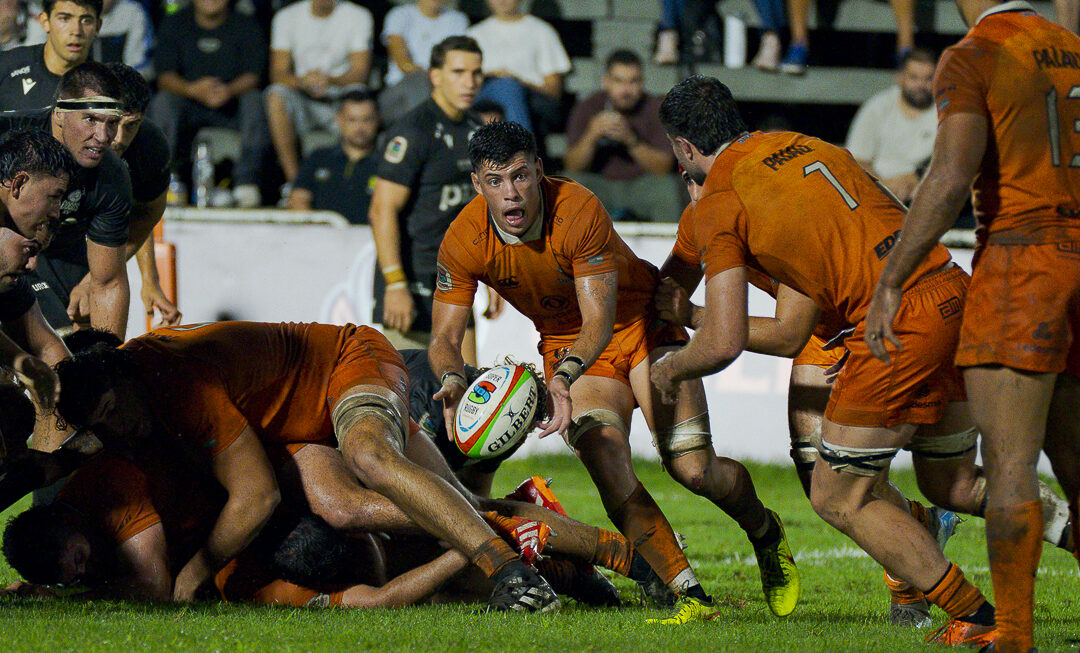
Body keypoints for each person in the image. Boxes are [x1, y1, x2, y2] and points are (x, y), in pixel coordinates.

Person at [655, 75, 997, 646]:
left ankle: (956, 607)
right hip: (925, 294)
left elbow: (762, 333)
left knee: (836, 488)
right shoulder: (799, 147)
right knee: (942, 482)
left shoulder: (723, 201)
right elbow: (667, 283)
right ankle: (967, 547)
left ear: (684, 149)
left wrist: (680, 349)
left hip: (868, 321)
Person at [429, 120, 800, 624]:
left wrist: (560, 379)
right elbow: (445, 338)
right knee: (605, 455)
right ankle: (685, 591)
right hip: (569, 346)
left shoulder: (577, 208)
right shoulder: (463, 237)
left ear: (540, 170)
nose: (511, 194)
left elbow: (600, 321)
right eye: (495, 182)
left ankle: (765, 531)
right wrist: (452, 381)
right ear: (477, 184)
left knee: (694, 469)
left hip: (641, 325)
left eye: (519, 176)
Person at [53, 321, 560, 611]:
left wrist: (189, 578)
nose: (117, 430)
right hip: (296, 432)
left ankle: (510, 539)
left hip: (341, 369)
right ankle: (570, 556)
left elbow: (252, 501)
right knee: (450, 528)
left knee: (362, 482)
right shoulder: (246, 581)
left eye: (113, 413)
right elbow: (377, 599)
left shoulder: (170, 390)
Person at [863, 2, 1080, 650]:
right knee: (1074, 457)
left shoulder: (977, 52)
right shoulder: (1068, 45)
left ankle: (1012, 631)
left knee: (1009, 463)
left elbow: (951, 174)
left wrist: (893, 276)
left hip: (1024, 258)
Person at [368, 36, 485, 361]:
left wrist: (492, 276)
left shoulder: (477, 130)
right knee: (405, 397)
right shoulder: (413, 131)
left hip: (456, 281)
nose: (470, 82)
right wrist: (394, 283)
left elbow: (481, 210)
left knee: (466, 393)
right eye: (459, 72)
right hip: (411, 279)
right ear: (435, 76)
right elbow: (381, 210)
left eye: (476, 73)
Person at [25, 62, 130, 354]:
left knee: (78, 356)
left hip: (49, 251)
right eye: (91, 120)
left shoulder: (112, 174)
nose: (104, 136)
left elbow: (108, 283)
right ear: (59, 114)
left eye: (112, 123)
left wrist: (109, 369)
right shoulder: (11, 140)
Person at [149, 0, 268, 208]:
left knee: (255, 100)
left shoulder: (245, 23)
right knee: (163, 102)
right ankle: (166, 181)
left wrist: (229, 90)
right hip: (188, 103)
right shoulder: (175, 22)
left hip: (231, 104)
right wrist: (192, 89)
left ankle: (246, 183)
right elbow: (164, 76)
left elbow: (254, 75)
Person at [0, 129, 76, 409]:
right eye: (54, 197)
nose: (57, 211)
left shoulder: (9, 254)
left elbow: (47, 346)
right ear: (18, 184)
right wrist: (19, 361)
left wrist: (84, 399)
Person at [563, 49, 681, 223]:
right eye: (618, 81)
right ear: (606, 82)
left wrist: (631, 140)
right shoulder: (588, 107)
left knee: (667, 189)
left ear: (642, 82)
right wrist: (592, 134)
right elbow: (572, 166)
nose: (626, 90)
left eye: (633, 81)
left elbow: (663, 168)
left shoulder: (656, 109)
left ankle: (671, 249)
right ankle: (571, 248)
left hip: (641, 185)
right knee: (570, 187)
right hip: (600, 185)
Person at [265, 0, 373, 187]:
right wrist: (302, 82)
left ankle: (351, 182)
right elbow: (277, 73)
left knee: (359, 96)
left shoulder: (358, 15)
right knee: (275, 95)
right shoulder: (286, 16)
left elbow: (360, 73)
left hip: (339, 99)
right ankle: (295, 184)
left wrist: (330, 80)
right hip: (302, 97)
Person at [845, 48, 938, 204]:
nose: (921, 85)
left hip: (925, 195)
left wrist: (916, 180)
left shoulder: (944, 112)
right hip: (877, 192)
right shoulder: (877, 107)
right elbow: (858, 159)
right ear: (900, 77)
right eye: (914, 78)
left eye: (928, 79)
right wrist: (884, 188)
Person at [466, 0, 570, 133]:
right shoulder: (474, 34)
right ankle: (521, 149)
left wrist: (518, 81)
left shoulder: (541, 31)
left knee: (509, 87)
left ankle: (519, 146)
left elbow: (554, 89)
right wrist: (492, 75)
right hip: (483, 94)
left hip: (530, 98)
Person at [287, 90, 380, 225]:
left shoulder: (387, 164)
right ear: (339, 119)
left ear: (377, 120)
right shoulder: (318, 158)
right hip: (322, 239)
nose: (359, 128)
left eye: (366, 120)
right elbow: (299, 199)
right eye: (352, 120)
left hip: (369, 241)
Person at [378, 0, 468, 125]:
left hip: (440, 89)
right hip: (399, 90)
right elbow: (403, 64)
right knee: (419, 80)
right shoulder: (400, 15)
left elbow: (456, 62)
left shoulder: (457, 19)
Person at [0, 0, 99, 110]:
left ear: (97, 27)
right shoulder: (6, 67)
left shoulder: (107, 88)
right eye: (65, 19)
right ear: (45, 21)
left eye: (86, 20)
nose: (76, 31)